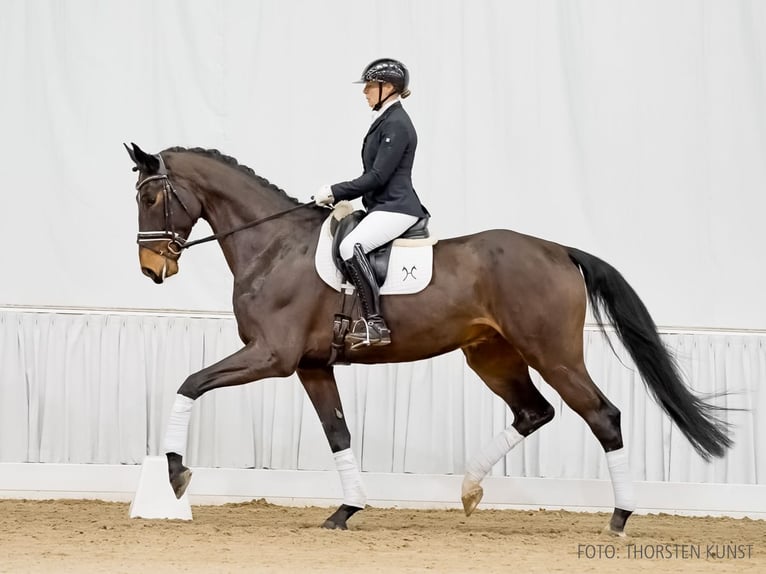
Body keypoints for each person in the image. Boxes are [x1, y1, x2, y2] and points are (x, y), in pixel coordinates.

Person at [315, 58, 429, 348]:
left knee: (350, 247)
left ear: (388, 87)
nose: (365, 91)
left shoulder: (398, 124)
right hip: (383, 205)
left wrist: (335, 191)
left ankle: (375, 324)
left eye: (370, 86)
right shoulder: (386, 121)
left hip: (397, 207)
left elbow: (377, 177)